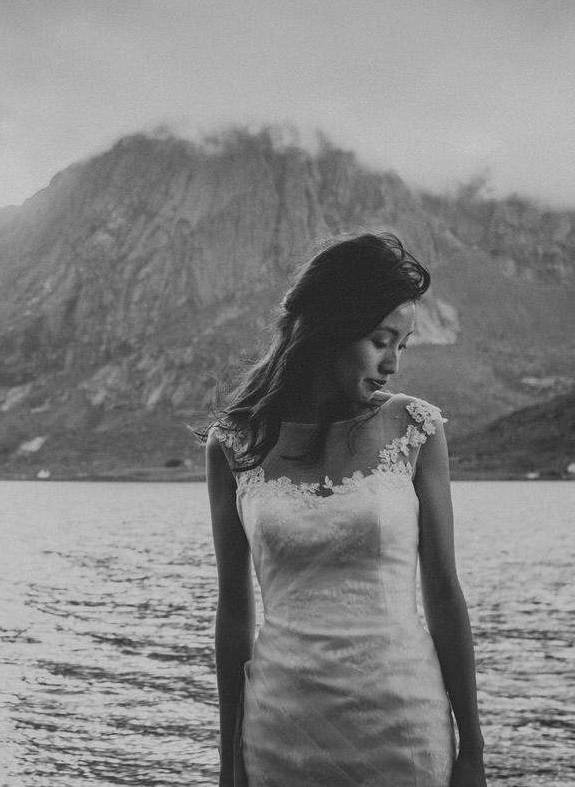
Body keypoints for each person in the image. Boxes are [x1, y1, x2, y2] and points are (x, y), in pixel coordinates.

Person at [204, 232, 486, 787]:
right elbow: (234, 613)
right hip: (281, 729)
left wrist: (473, 749)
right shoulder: (232, 445)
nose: (393, 365)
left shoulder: (415, 428)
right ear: (331, 326)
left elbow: (444, 591)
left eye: (402, 345)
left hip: (403, 724)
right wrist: (227, 760)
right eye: (382, 340)